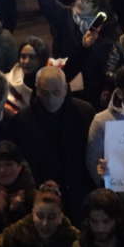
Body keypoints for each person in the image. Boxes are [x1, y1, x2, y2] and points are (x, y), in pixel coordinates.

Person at [14, 66, 95, 226]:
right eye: (45, 93)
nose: (50, 99)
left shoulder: (85, 113)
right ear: (36, 90)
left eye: (56, 93)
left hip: (79, 197)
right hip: (42, 201)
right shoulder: (22, 120)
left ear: (65, 89)